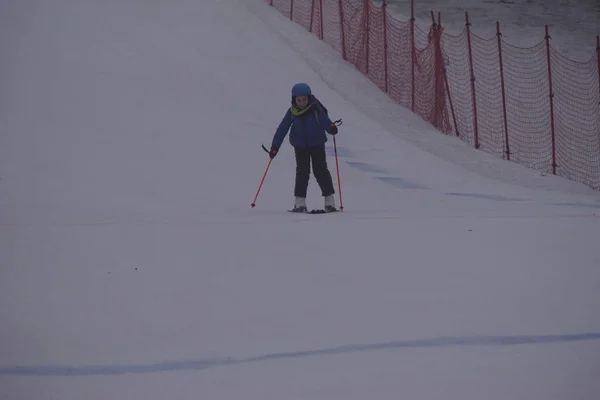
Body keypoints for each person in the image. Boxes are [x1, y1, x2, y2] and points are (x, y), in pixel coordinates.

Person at [269, 82, 339, 213]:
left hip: (317, 144)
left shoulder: (315, 109)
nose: (302, 102)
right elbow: (282, 129)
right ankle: (299, 202)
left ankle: (330, 201)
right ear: (294, 100)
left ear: (309, 98)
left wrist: (331, 128)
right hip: (300, 146)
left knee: (321, 171)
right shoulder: (292, 112)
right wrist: (275, 147)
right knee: (302, 172)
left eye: (304, 99)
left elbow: (325, 121)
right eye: (298, 100)